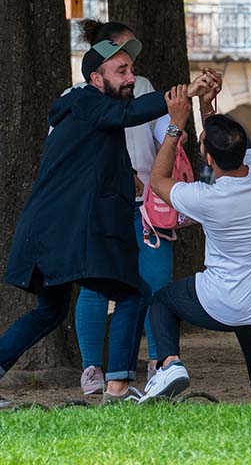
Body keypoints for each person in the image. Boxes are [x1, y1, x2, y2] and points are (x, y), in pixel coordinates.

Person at [0, 26, 213, 405]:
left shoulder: (90, 114)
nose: (131, 78)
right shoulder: (86, 102)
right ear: (96, 78)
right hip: (67, 232)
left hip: (50, 231)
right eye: (121, 71)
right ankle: (116, 390)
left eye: (131, 70)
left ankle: (114, 385)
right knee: (135, 293)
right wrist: (184, 94)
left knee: (50, 313)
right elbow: (130, 113)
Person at [139, 82, 251, 403]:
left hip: (220, 303)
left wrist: (174, 126)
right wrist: (209, 107)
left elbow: (157, 182)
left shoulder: (206, 198)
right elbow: (227, 143)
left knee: (162, 302)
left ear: (208, 158)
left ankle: (170, 365)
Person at [70, 19, 175, 395]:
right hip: (98, 209)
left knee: (156, 282)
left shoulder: (143, 88)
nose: (132, 67)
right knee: (95, 287)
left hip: (145, 205)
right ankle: (92, 369)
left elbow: (167, 137)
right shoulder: (75, 97)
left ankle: (160, 360)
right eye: (125, 56)